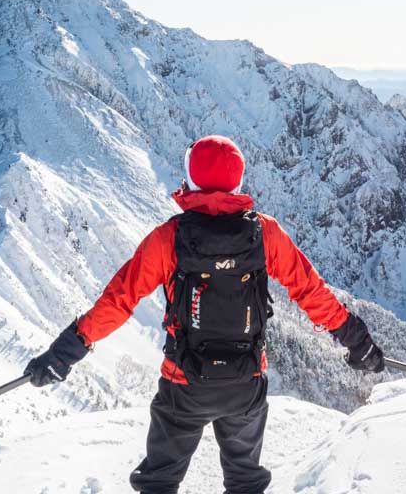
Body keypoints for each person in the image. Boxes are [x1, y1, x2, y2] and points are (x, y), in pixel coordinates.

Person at [24, 135, 384, 494]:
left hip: (184, 385)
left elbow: (118, 301)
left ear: (190, 179)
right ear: (237, 182)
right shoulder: (265, 233)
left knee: (159, 482)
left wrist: (64, 353)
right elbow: (311, 293)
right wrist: (357, 341)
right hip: (246, 383)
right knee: (245, 482)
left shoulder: (169, 238)